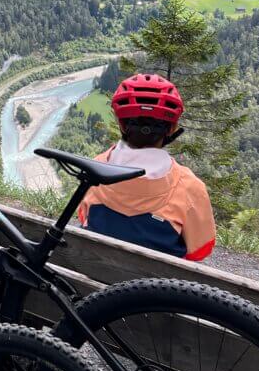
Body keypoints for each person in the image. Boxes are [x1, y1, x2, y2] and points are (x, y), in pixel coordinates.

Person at [77, 73, 216, 261]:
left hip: (93, 281)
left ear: (121, 124)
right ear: (173, 128)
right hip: (155, 290)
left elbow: (82, 216)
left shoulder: (96, 169)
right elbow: (200, 250)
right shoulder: (190, 188)